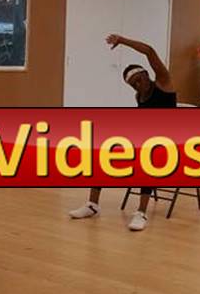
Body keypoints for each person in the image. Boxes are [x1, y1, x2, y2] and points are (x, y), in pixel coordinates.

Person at [68, 34, 177, 231]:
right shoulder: (139, 96)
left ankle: (141, 213)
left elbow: (149, 51)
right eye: (133, 84)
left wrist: (122, 41)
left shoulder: (163, 82)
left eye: (139, 80)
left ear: (146, 74)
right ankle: (92, 205)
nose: (138, 85)